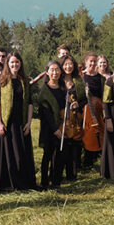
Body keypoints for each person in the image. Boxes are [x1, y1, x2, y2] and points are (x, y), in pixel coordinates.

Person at [0, 52, 37, 191]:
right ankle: (8, 183)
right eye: (12, 62)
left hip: (21, 122)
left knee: (21, 154)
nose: (14, 65)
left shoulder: (24, 81)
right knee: (8, 155)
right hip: (7, 123)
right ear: (7, 64)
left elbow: (30, 103)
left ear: (20, 64)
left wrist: (29, 123)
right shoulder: (2, 81)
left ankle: (22, 182)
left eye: (17, 62)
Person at [34, 59, 79, 189]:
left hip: (63, 124)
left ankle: (56, 181)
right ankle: (43, 181)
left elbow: (68, 106)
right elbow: (46, 113)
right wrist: (55, 129)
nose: (55, 72)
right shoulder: (44, 91)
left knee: (61, 154)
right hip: (49, 127)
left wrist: (73, 105)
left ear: (60, 72)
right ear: (47, 72)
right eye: (52, 70)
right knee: (47, 154)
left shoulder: (64, 88)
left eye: (57, 69)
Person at [60, 54, 84, 181]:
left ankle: (72, 174)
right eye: (65, 64)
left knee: (75, 145)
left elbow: (85, 99)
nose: (68, 67)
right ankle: (59, 173)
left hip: (75, 117)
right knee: (63, 145)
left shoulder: (78, 81)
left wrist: (78, 104)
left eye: (70, 64)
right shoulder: (58, 79)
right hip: (62, 117)